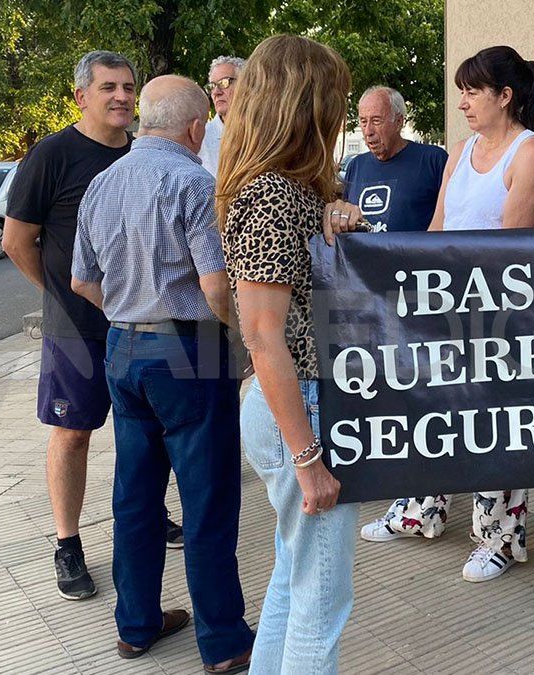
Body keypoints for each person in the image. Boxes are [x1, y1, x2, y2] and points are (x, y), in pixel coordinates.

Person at [70, 75, 254, 671]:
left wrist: (129, 315)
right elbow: (215, 283)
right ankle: (223, 642)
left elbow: (81, 281)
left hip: (123, 346)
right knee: (207, 499)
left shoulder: (100, 184)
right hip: (189, 351)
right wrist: (242, 342)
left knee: (136, 496)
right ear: (196, 127)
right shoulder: (194, 181)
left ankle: (137, 625)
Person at [359, 45, 534, 584]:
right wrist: (404, 281)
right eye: (461, 91)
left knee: (494, 423)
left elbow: (507, 250)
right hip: (444, 306)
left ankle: (498, 537)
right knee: (430, 413)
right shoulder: (462, 151)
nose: (463, 102)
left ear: (505, 96)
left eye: (472, 91)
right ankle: (422, 508)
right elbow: (437, 232)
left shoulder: (529, 151)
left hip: (498, 316)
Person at [4, 51, 183, 602]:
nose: (122, 97)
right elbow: (16, 241)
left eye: (129, 88)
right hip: (76, 330)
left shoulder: (142, 154)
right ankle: (68, 544)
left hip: (142, 326)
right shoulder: (52, 156)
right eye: (109, 87)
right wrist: (62, 296)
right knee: (74, 435)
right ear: (81, 96)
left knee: (149, 431)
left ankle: (150, 513)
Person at [216, 34, 363, 674]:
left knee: (295, 578)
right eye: (335, 100)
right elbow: (261, 332)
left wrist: (331, 214)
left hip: (291, 406)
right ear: (304, 105)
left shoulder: (280, 189)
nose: (342, 115)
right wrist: (309, 461)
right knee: (321, 601)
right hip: (299, 411)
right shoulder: (272, 194)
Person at [342, 86, 447, 232]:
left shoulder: (433, 160)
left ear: (399, 122)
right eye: (363, 121)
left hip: (416, 255)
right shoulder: (356, 165)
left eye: (376, 121)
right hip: (363, 255)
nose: (368, 131)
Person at [199, 55, 245, 176]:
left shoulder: (268, 133)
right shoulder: (200, 139)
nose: (216, 92)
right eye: (212, 86)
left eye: (224, 83)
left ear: (246, 85)